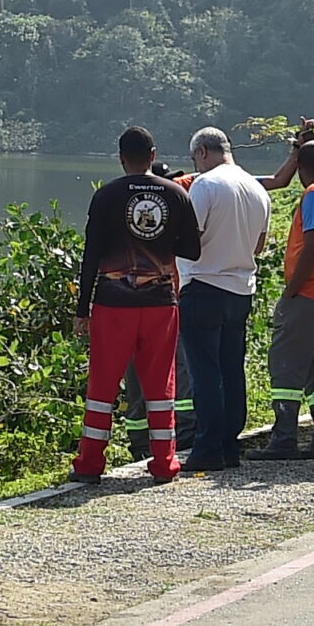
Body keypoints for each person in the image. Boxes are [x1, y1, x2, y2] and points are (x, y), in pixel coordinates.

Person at [76, 126, 202, 483]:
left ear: (121, 158)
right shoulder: (175, 194)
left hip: (113, 304)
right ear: (153, 155)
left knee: (102, 386)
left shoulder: (106, 196)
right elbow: (193, 250)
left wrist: (82, 309)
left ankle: (89, 464)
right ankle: (164, 463)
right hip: (161, 303)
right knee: (160, 385)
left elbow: (90, 256)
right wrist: (161, 241)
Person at [248, 137, 314, 461]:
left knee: (286, 365)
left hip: (310, 292)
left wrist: (292, 289)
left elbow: (313, 244)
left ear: (301, 168)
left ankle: (284, 438)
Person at [177, 126, 270, 472]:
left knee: (204, 373)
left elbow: (190, 238)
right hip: (241, 288)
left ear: (202, 151)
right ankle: (230, 446)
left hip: (203, 285)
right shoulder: (257, 189)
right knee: (232, 370)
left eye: (194, 158)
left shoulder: (205, 185)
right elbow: (258, 245)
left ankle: (206, 447)